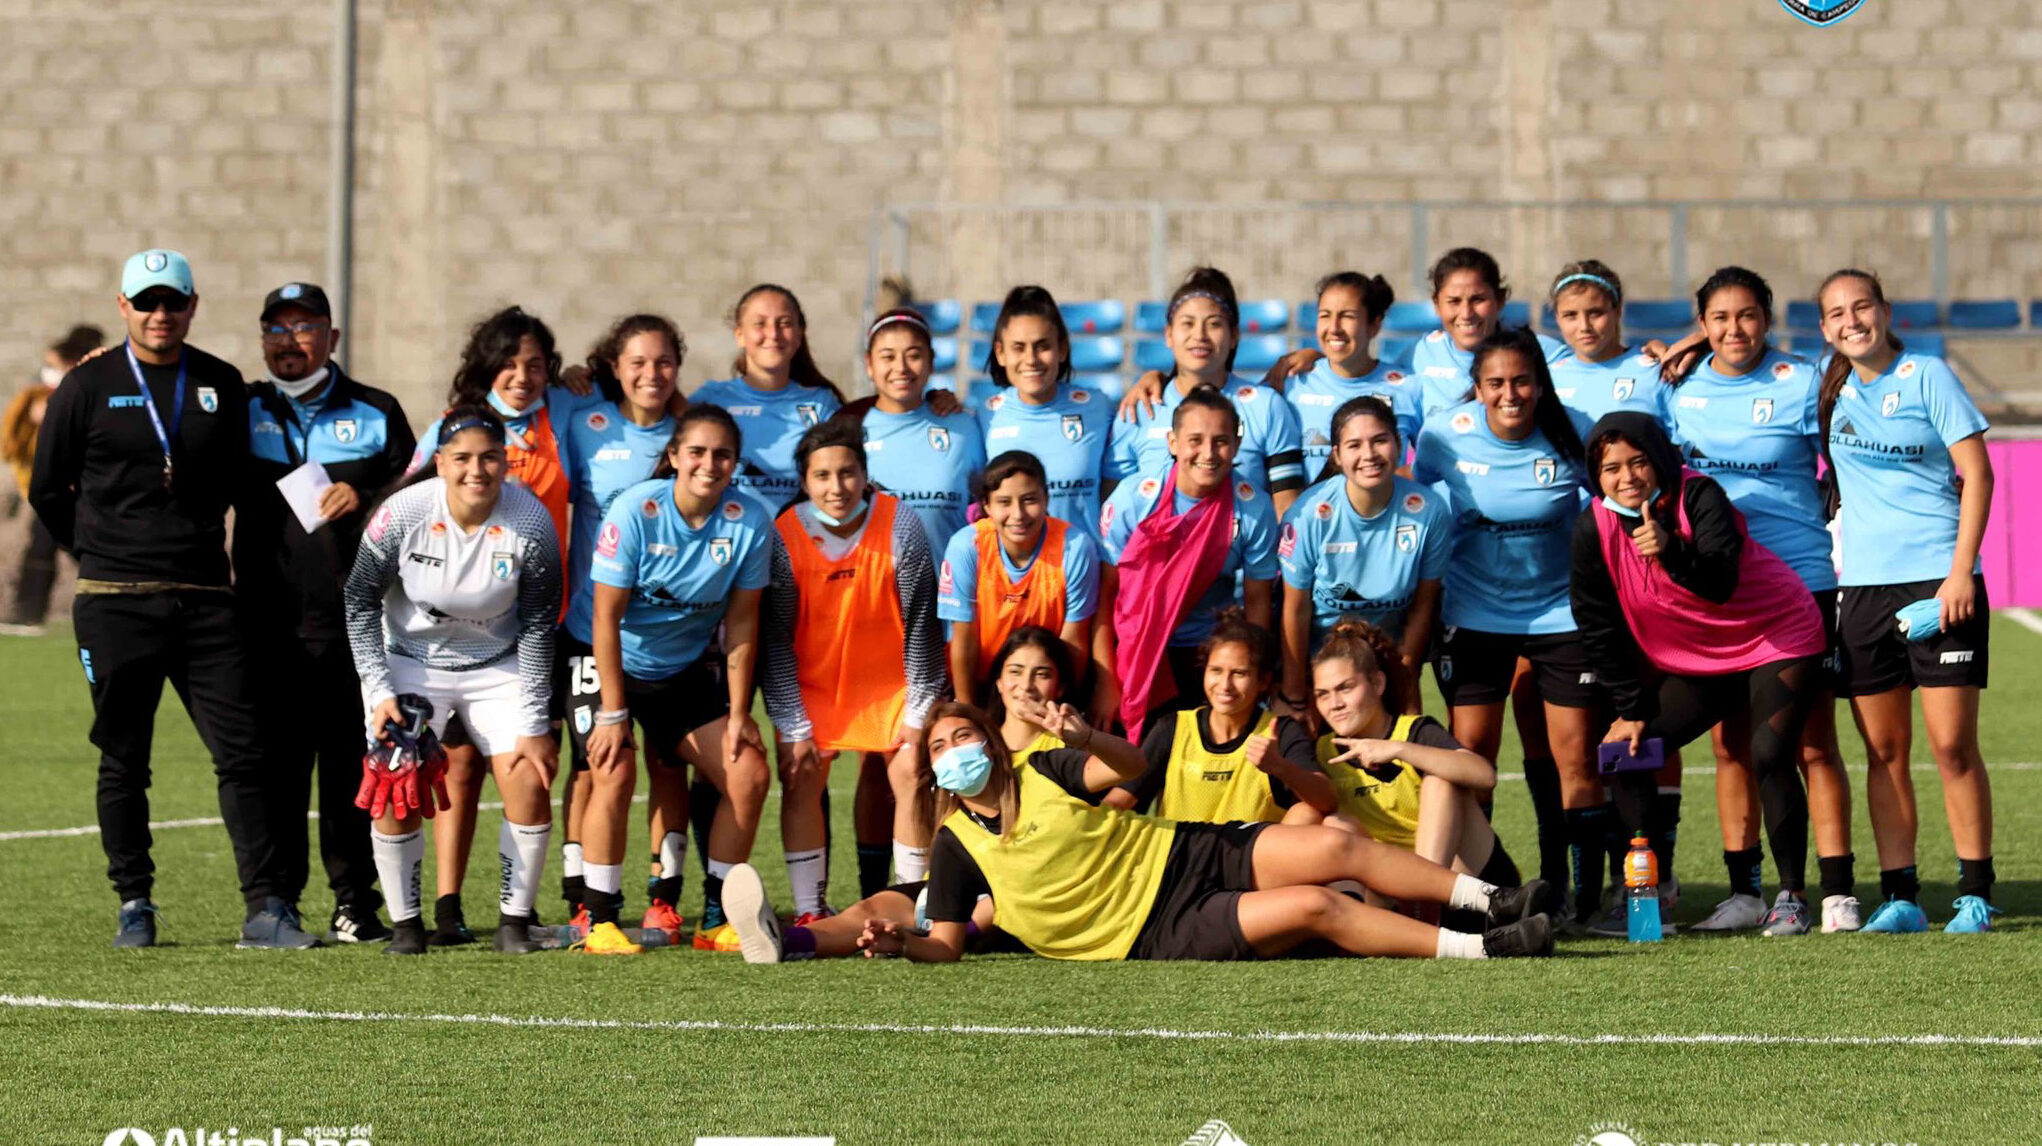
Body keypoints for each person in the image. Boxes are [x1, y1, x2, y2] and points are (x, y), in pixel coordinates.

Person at [30, 249, 313, 949]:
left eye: (174, 302)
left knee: (245, 753)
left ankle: (267, 907)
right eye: (147, 302)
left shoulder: (220, 383)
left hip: (206, 602)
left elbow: (254, 484)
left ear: (193, 306)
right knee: (125, 757)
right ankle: (135, 902)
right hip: (114, 601)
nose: (162, 315)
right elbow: (45, 488)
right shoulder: (86, 385)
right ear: (123, 306)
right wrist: (96, 554)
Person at [850, 702, 1558, 963]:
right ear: (937, 773)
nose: (955, 751)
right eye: (941, 747)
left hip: (1180, 848)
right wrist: (900, 944)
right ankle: (1482, 948)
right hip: (1153, 929)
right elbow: (945, 944)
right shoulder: (954, 846)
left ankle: (1489, 899)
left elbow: (1134, 767)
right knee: (1320, 906)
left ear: (992, 745)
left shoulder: (1046, 768)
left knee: (1340, 846)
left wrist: (1088, 735)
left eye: (964, 735)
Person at [1570, 413, 1827, 936]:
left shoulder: (1699, 495)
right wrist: (1631, 708)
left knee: (1768, 754)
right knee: (1627, 751)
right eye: (1611, 467)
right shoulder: (1591, 526)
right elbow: (1596, 624)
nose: (1627, 477)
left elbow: (1720, 583)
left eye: (1638, 461)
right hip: (1700, 657)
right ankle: (1647, 898)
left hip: (1775, 634)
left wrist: (1671, 548)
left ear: (1660, 459)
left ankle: (1792, 898)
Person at [1668, 267, 1855, 934]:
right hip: (1718, 591)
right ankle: (1745, 891)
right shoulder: (1677, 386)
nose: (1735, 330)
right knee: (1730, 747)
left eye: (1748, 315)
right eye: (1719, 318)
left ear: (1768, 319)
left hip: (1800, 581)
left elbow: (1846, 456)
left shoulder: (1802, 381)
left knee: (1809, 744)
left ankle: (1831, 891)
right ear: (1702, 324)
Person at [722, 624, 1079, 964]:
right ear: (998, 680)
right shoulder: (972, 741)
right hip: (966, 877)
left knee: (995, 898)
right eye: (1015, 672)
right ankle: (785, 941)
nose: (1025, 686)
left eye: (1042, 674)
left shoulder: (1068, 748)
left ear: (1061, 686)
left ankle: (958, 932)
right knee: (874, 908)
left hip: (1029, 889)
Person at [1816, 269, 1997, 933]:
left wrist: (1960, 577)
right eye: (1836, 313)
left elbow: (1978, 474)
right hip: (1861, 590)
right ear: (1824, 328)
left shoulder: (1928, 375)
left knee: (1952, 747)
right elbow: (1744, 353)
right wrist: (1688, 340)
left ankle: (1974, 892)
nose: (1851, 320)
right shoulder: (1826, 383)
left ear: (1885, 311)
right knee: (1884, 753)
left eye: (1861, 306)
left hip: (1939, 581)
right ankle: (1901, 898)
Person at [343, 405, 562, 955]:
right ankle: (407, 925)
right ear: (440, 463)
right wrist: (379, 691)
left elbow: (538, 624)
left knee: (530, 778)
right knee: (394, 781)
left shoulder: (531, 522)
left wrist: (535, 722)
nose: (476, 471)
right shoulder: (401, 514)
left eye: (490, 458)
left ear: (506, 465)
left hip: (499, 664)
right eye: (462, 458)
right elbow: (359, 600)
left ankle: (513, 923)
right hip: (412, 660)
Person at [236, 281, 415, 944]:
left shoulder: (375, 410)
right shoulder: (240, 407)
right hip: (265, 621)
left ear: (332, 338)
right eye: (275, 328)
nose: (289, 340)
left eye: (304, 326)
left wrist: (362, 492)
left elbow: (413, 495)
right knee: (275, 767)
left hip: (353, 622)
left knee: (348, 766)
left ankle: (354, 901)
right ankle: (277, 899)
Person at [1412, 326, 1605, 923]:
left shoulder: (1575, 431)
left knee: (1574, 760)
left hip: (1559, 616)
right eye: (1495, 382)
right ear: (1477, 388)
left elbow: (1612, 506)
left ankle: (1576, 894)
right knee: (1471, 755)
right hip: (1474, 616)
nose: (1510, 393)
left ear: (1540, 384)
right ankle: (1476, 895)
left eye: (1522, 380)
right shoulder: (1444, 434)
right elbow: (1412, 506)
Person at [410, 306, 584, 944]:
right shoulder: (447, 430)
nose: (522, 375)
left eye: (535, 363)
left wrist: (589, 376)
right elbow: (405, 510)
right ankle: (449, 907)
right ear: (485, 367)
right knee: (456, 764)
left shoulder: (564, 413)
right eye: (509, 363)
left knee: (530, 764)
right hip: (456, 634)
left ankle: (520, 906)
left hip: (541, 624)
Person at [577, 405, 775, 955]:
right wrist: (614, 715)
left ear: (735, 463)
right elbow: (604, 618)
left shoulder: (749, 521)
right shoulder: (635, 511)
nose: (708, 464)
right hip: (610, 659)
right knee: (613, 769)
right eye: (696, 452)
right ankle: (599, 921)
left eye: (722, 454)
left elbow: (741, 622)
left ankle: (717, 917)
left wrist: (738, 715)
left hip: (682, 671)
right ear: (673, 457)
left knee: (749, 771)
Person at [763, 419, 945, 918]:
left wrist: (917, 710)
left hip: (892, 686)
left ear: (865, 474)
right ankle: (810, 909)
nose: (836, 487)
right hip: (814, 687)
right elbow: (774, 640)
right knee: (801, 775)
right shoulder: (784, 532)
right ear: (805, 481)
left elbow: (922, 623)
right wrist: (793, 722)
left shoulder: (899, 522)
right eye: (822, 476)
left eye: (847, 473)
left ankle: (913, 904)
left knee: (911, 771)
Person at [552, 314, 689, 941]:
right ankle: (583, 896)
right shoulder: (585, 423)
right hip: (591, 629)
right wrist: (569, 375)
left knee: (667, 764)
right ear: (612, 366)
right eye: (636, 362)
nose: (650, 374)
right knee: (592, 766)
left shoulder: (691, 436)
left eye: (662, 361)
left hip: (668, 638)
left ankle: (664, 896)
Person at [1094, 388, 1280, 739]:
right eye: (1195, 440)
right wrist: (1105, 681)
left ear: (1237, 446)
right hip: (1138, 649)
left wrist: (1253, 674)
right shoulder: (1133, 501)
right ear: (1173, 442)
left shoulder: (1254, 509)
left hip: (1209, 656)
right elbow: (1105, 597)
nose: (1208, 454)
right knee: (1135, 774)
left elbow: (1257, 605)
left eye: (1221, 441)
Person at [1302, 620, 1520, 891]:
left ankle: (1426, 896)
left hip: (1467, 883)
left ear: (1377, 683)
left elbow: (1484, 775)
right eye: (1323, 694)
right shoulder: (1320, 751)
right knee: (1336, 824)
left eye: (1346, 688)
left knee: (1441, 780)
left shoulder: (1414, 730)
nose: (1335, 704)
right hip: (1392, 889)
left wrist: (1396, 749)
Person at [1277, 396, 1450, 723]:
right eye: (1354, 445)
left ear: (1398, 445)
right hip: (1321, 665)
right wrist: (1296, 691)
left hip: (1388, 662)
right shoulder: (1308, 513)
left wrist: (1403, 676)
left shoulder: (1429, 511)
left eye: (1380, 440)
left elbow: (1423, 606)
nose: (1369, 455)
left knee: (1405, 765)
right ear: (1337, 455)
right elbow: (1295, 608)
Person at [1106, 267, 1307, 518]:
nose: (1199, 336)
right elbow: (1112, 514)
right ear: (1169, 335)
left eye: (1213, 324)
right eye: (1187, 324)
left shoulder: (1267, 406)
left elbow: (1286, 508)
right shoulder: (1138, 409)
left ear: (1234, 335)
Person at [1121, 611, 1336, 823]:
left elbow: (1327, 801)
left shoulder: (1280, 731)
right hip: (1181, 855)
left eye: (1239, 673)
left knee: (1306, 814)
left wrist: (1280, 767)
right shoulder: (1173, 727)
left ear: (1263, 681)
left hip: (1251, 857)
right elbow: (1120, 800)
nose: (1225, 685)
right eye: (1216, 670)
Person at [938, 450, 1099, 708]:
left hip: (1045, 687)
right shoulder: (966, 546)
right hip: (982, 682)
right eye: (1004, 502)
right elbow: (963, 638)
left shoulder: (1075, 546)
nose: (1018, 514)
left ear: (1046, 499)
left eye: (1029, 500)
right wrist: (968, 711)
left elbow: (1073, 641)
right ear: (986, 506)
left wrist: (1062, 705)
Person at [976, 285, 1117, 543]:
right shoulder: (985, 416)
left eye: (1042, 346)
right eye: (1019, 347)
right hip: (1013, 576)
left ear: (1062, 349)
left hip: (1085, 571)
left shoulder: (1098, 408)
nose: (1031, 359)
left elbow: (1116, 498)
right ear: (1001, 353)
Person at [841, 308, 985, 553]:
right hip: (872, 590)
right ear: (869, 364)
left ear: (931, 361)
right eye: (888, 357)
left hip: (948, 590)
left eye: (914, 355)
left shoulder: (964, 427)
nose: (901, 367)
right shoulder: (849, 429)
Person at [691, 284, 846, 512]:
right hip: (731, 542)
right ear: (740, 335)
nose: (773, 334)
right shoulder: (711, 399)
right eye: (760, 324)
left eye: (784, 323)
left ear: (799, 335)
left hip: (798, 542)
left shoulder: (821, 405)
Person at [2, 324, 102, 634]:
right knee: (47, 544)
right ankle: (29, 611)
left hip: (80, 487)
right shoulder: (51, 393)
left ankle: (31, 611)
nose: (46, 372)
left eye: (52, 365)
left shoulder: (88, 389)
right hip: (58, 487)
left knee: (76, 547)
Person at [1409, 249, 1572, 420]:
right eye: (1454, 301)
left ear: (1500, 299)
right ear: (1436, 304)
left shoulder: (1542, 351)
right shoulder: (1423, 352)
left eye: (1477, 300)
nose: (1466, 313)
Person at [1285, 272, 1422, 470]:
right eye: (1325, 315)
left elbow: (1434, 463)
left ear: (1374, 325)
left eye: (1347, 316)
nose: (1334, 328)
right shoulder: (1292, 385)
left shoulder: (1409, 388)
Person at [1545, 261, 1675, 426]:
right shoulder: (1547, 380)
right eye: (1570, 315)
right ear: (1557, 317)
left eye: (1595, 313)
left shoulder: (1655, 372)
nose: (1584, 326)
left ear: (1618, 310)